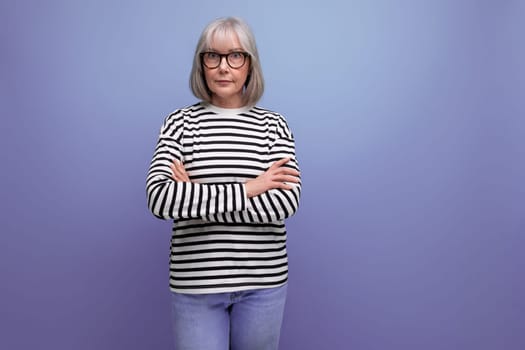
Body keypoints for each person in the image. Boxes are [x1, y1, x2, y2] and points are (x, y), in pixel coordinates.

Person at [146, 16, 301, 350]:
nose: (223, 67)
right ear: (201, 64)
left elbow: (286, 203)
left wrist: (195, 200)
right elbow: (159, 199)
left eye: (236, 56)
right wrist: (251, 187)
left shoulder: (274, 126)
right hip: (195, 285)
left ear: (250, 64)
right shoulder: (180, 123)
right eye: (212, 56)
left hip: (263, 283)